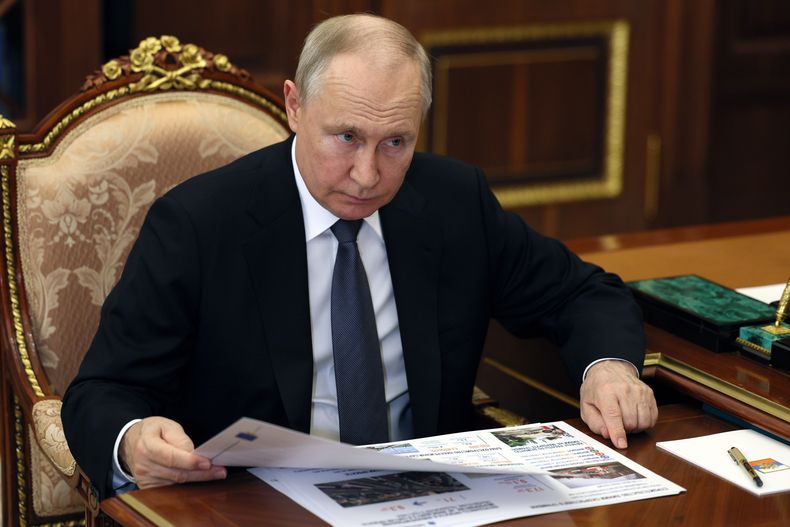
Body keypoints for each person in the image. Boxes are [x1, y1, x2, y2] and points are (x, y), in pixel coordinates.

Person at [62, 13, 657, 500]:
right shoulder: (200, 223)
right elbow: (103, 390)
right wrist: (132, 440)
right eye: (346, 137)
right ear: (295, 106)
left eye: (395, 142)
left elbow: (581, 292)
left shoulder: (454, 201)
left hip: (431, 496)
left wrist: (608, 367)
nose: (368, 175)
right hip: (257, 500)